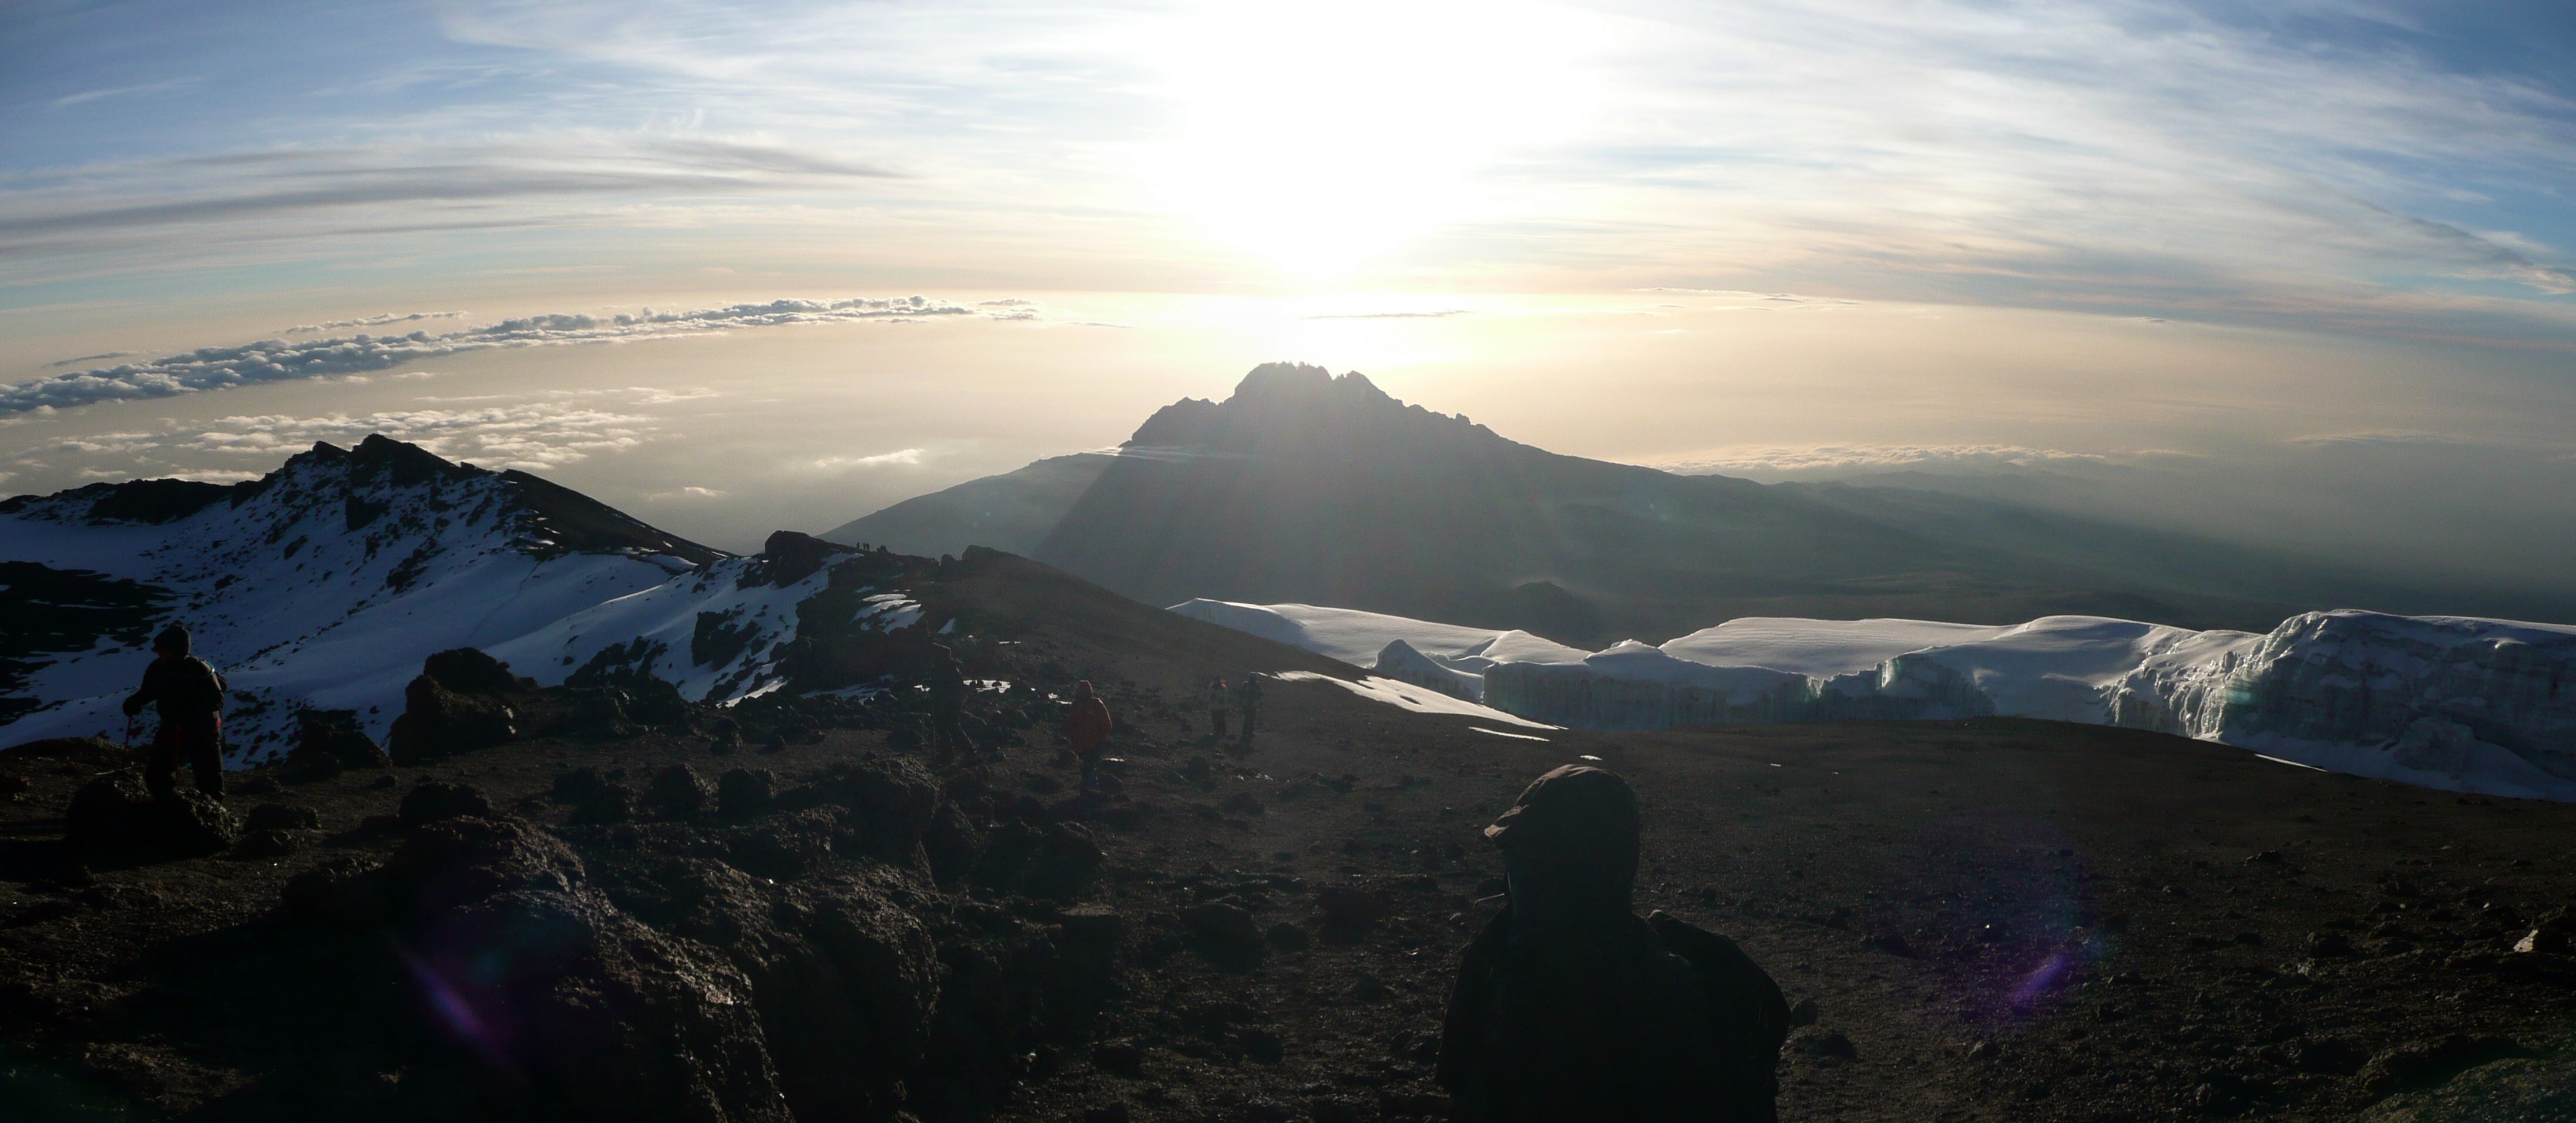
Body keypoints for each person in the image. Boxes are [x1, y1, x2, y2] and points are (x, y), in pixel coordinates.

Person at [1438, 765, 1787, 1122]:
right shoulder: (1496, 963)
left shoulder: (1665, 1008)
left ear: (1593, 877)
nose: (1518, 880)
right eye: (1515, 860)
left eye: (1540, 865)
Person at [123, 624, 229, 800]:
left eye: (162, 649)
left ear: (175, 649)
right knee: (158, 773)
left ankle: (207, 810)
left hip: (201, 730)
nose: (158, 653)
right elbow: (149, 691)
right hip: (179, 726)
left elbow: (216, 700)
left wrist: (194, 713)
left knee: (208, 778)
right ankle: (169, 806)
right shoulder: (169, 668)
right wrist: (134, 702)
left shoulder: (192, 669)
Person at [925, 643, 972, 756]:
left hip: (949, 702)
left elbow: (944, 687)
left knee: (947, 726)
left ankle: (960, 751)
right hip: (953, 702)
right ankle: (960, 751)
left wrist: (932, 686)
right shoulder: (950, 669)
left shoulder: (946, 670)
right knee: (948, 726)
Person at [1066, 680, 1113, 792]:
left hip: (1089, 745)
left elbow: (1071, 725)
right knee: (1088, 768)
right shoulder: (1080, 706)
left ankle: (1090, 791)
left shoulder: (1089, 705)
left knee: (1089, 767)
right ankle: (1089, 791)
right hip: (1086, 745)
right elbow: (1107, 725)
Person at [1232, 673, 1264, 745]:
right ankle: (1248, 733)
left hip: (1249, 704)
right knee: (1250, 719)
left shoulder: (1248, 685)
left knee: (1249, 719)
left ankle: (1247, 733)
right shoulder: (1254, 685)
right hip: (1250, 704)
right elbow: (1261, 694)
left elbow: (1240, 693)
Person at [1205, 676, 1230, 742]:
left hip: (1221, 708)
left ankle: (1223, 733)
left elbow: (1225, 697)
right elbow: (1209, 696)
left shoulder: (1223, 689)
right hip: (1214, 708)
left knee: (1222, 721)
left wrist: (1222, 700)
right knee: (1215, 721)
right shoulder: (1212, 689)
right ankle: (1217, 733)